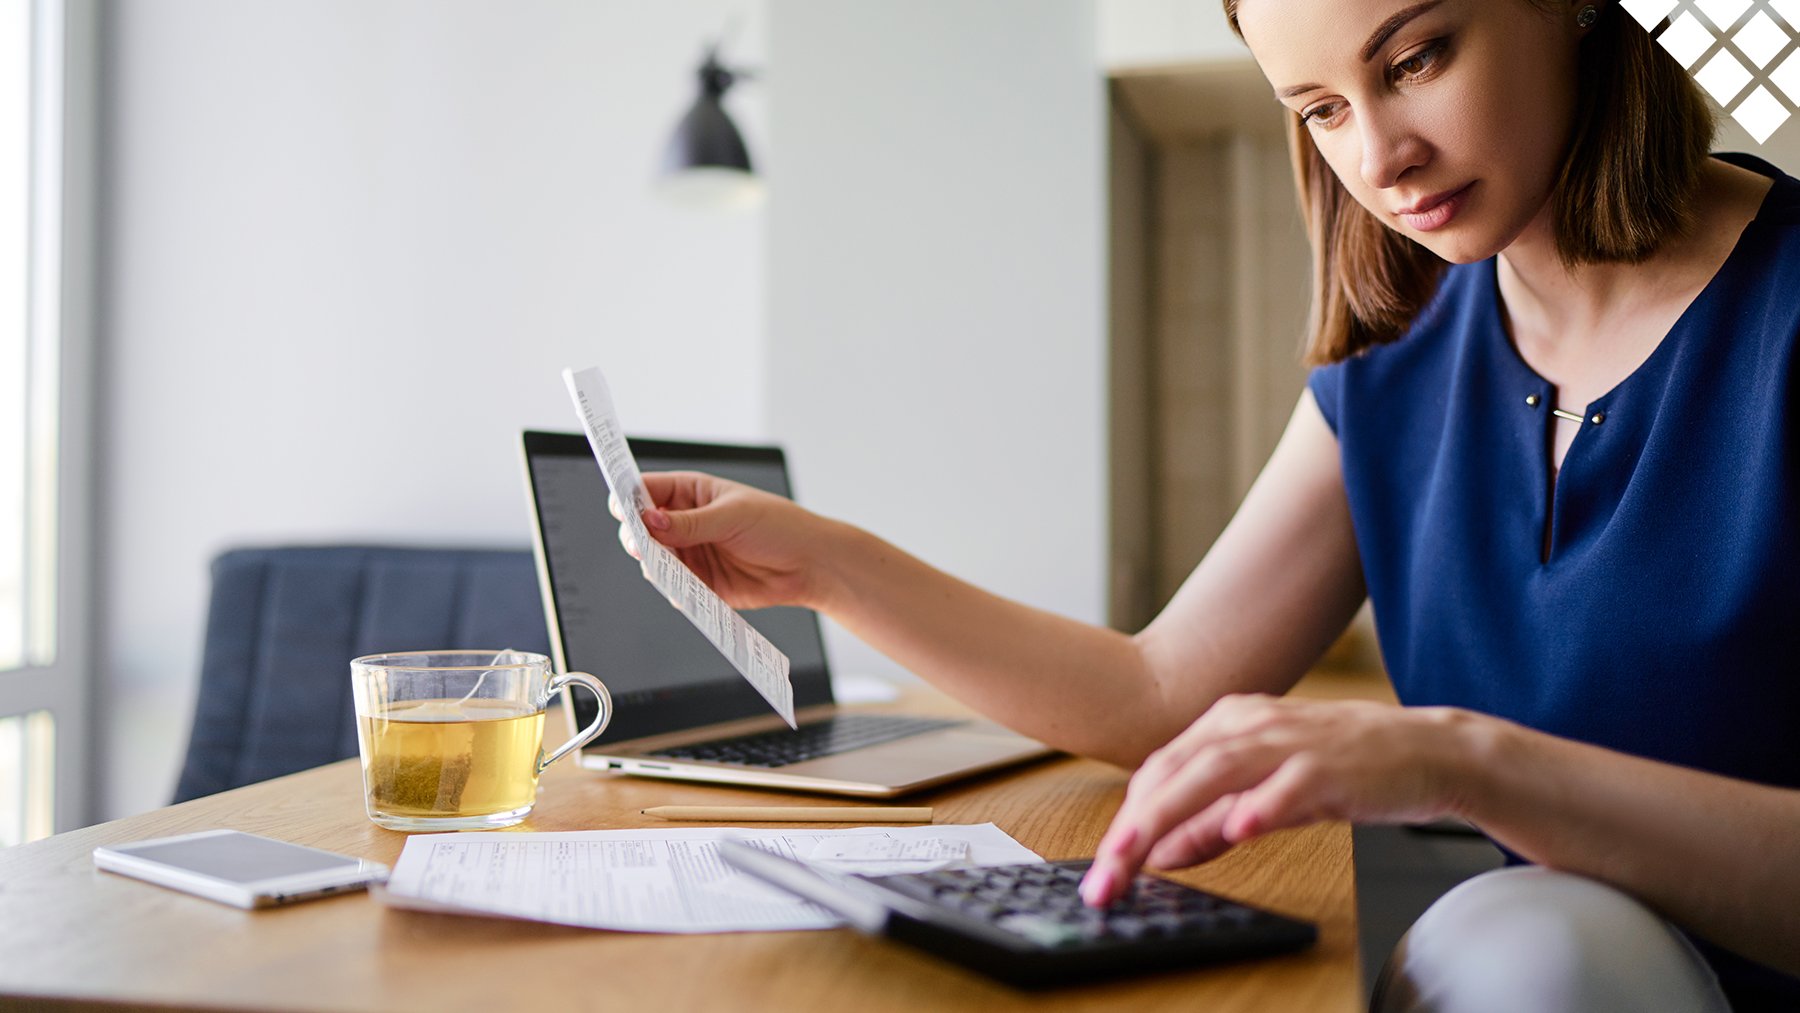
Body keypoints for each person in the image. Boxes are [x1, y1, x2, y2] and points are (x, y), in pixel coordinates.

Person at [616, 1, 1800, 1008]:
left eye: (1415, 60)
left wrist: (1467, 763)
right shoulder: (1395, 362)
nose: (1381, 157)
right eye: (1321, 109)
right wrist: (827, 565)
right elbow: (1158, 691)